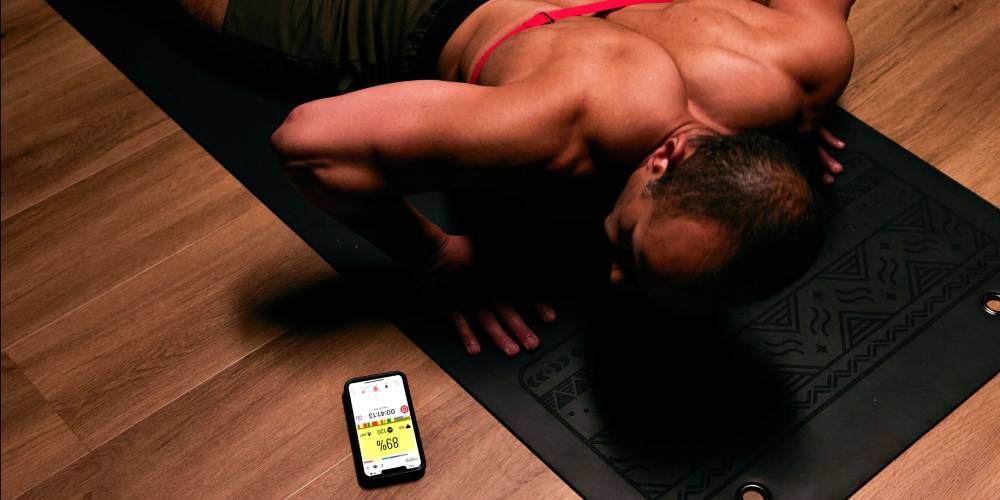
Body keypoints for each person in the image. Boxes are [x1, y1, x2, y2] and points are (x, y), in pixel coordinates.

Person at [178, 0, 855, 356]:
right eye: (630, 249)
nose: (614, 279)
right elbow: (309, 144)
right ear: (668, 158)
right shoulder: (557, 129)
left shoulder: (803, 65)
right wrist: (436, 257)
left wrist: (794, 128)